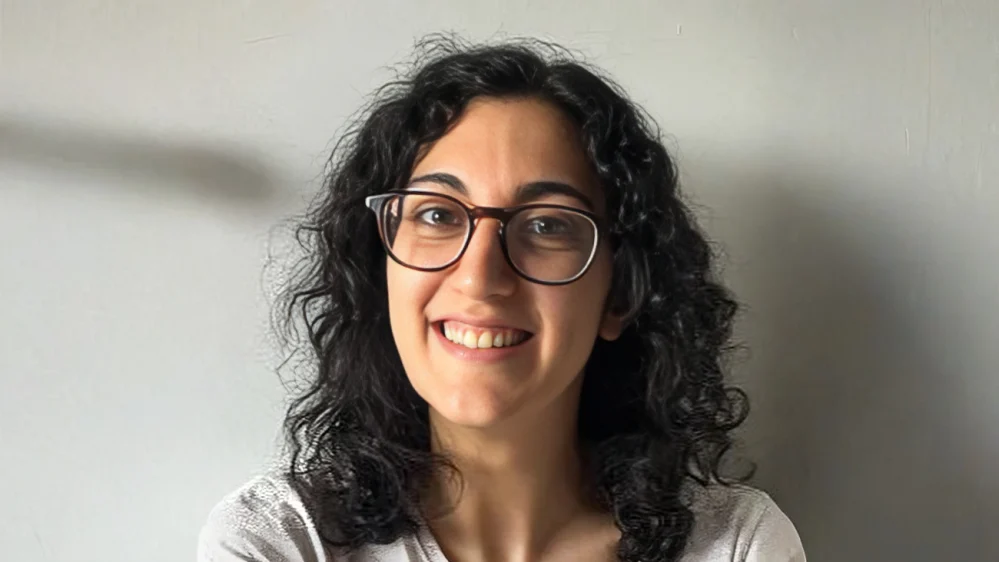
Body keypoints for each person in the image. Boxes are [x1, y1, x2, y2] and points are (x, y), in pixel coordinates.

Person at [197, 35, 806, 562]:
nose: (479, 277)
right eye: (437, 214)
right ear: (381, 272)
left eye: (546, 225)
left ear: (620, 293)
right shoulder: (282, 541)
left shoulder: (736, 545)